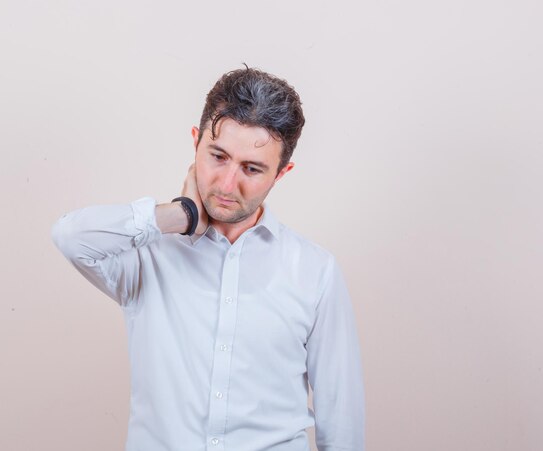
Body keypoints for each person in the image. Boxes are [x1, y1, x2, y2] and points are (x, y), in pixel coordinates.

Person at [51, 66, 365, 451]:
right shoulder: (147, 255)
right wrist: (180, 214)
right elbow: (71, 236)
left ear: (282, 173)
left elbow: (342, 422)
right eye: (218, 156)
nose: (228, 184)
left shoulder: (315, 271)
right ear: (196, 142)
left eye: (252, 168)